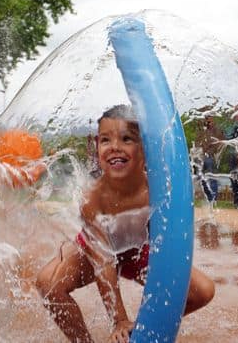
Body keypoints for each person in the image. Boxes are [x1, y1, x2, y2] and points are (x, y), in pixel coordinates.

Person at [35, 105, 215, 343]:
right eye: (105, 140)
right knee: (48, 283)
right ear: (97, 147)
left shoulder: (158, 189)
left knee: (203, 291)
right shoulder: (93, 199)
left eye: (127, 139)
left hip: (139, 252)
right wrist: (118, 318)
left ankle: (142, 330)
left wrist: (139, 322)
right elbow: (103, 262)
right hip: (97, 253)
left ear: (145, 149)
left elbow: (168, 248)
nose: (114, 147)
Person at [193, 115, 224, 205]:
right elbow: (197, 142)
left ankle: (213, 197)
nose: (208, 121)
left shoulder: (216, 130)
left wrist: (211, 152)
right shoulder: (202, 130)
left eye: (209, 119)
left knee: (212, 177)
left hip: (211, 156)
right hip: (201, 157)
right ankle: (208, 196)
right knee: (201, 177)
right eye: (206, 119)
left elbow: (219, 143)